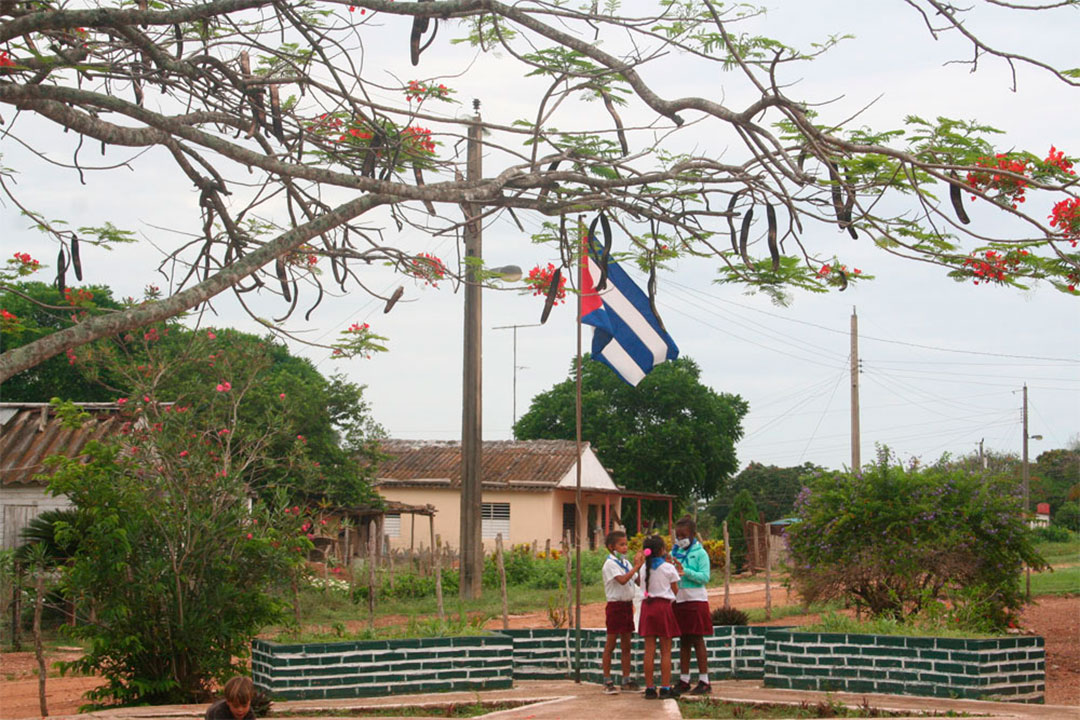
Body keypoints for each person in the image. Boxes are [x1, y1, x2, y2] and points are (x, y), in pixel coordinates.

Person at [636, 534, 682, 700]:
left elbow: (640, 584)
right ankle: (665, 687)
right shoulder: (668, 568)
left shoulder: (643, 569)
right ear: (662, 550)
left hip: (647, 608)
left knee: (649, 650)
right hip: (663, 608)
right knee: (666, 651)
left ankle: (649, 688)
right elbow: (676, 591)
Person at [671, 515, 713, 695]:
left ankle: (704, 680)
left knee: (697, 639)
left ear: (693, 534)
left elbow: (705, 577)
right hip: (679, 599)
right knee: (684, 641)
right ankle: (684, 679)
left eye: (683, 536)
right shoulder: (674, 553)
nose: (680, 539)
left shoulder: (700, 553)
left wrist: (685, 572)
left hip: (696, 600)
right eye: (677, 536)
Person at [601, 530, 644, 694]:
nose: (625, 547)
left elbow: (637, 581)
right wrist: (636, 567)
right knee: (610, 644)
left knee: (627, 644)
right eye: (622, 544)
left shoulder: (625, 563)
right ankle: (607, 680)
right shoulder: (610, 564)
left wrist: (639, 567)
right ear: (612, 547)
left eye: (626, 544)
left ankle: (626, 679)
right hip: (615, 606)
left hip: (627, 605)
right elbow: (622, 580)